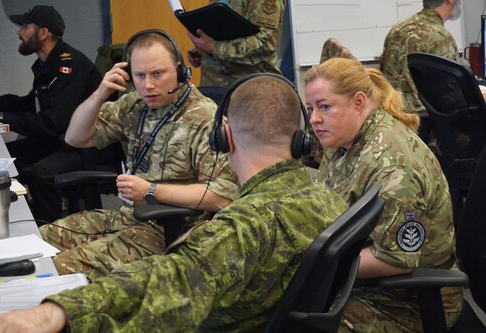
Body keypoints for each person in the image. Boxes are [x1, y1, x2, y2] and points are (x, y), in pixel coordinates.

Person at [0, 74, 348, 333]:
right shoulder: (327, 198)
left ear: (225, 137)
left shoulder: (248, 224)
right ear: (299, 139)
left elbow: (170, 280)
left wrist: (56, 313)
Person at [39, 29, 239, 282]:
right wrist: (100, 92)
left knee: (57, 269)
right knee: (39, 242)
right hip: (127, 219)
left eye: (157, 74)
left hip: (170, 231)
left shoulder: (205, 118)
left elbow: (222, 196)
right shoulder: (134, 105)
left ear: (180, 71)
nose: (149, 85)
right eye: (140, 75)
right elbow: (76, 137)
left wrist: (151, 191)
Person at [304, 57, 462, 332]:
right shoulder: (342, 139)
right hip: (358, 283)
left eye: (324, 107)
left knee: (301, 325)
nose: (314, 119)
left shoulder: (394, 165)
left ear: (359, 102)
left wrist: (312, 263)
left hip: (404, 302)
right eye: (310, 108)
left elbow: (396, 258)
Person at [0, 5, 102, 222]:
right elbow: (30, 104)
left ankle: (49, 230)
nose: (19, 32)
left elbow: (53, 123)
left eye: (25, 26)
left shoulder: (68, 66)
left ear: (43, 33)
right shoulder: (46, 65)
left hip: (85, 146)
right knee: (6, 160)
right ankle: (20, 220)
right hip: (58, 139)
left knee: (39, 173)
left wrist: (1, 118)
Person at [379, 0, 461, 116]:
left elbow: (383, 71)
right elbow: (450, 93)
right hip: (421, 119)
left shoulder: (398, 29)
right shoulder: (441, 37)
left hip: (391, 112)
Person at [186, 0, 285, 87]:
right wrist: (203, 50)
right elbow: (223, 26)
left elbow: (266, 42)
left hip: (252, 90)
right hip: (213, 85)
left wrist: (216, 48)